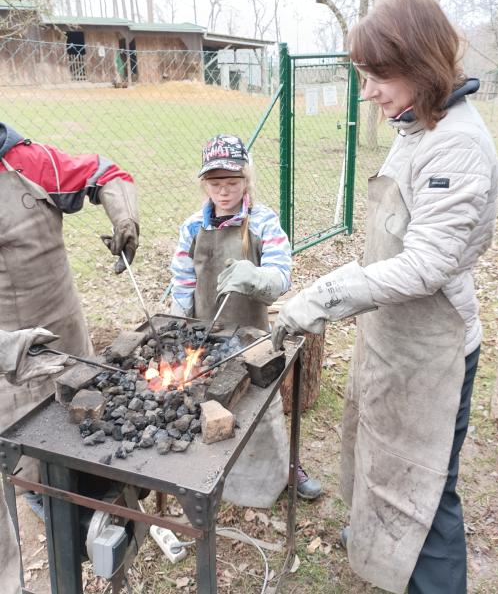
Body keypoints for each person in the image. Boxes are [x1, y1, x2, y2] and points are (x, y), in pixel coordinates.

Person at [271, 0, 498, 594]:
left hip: (431, 347)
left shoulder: (459, 145)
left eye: (377, 76)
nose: (367, 91)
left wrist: (323, 296)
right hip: (391, 334)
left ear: (420, 63)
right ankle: (377, 545)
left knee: (423, 486)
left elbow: (425, 265)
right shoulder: (417, 122)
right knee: (375, 452)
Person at [0, 122, 140, 594]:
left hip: (70, 350)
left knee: (93, 453)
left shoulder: (26, 162)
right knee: (34, 477)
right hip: (8, 377)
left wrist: (125, 219)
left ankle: (107, 547)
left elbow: (105, 173)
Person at [170, 133, 322, 505]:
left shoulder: (264, 222)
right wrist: (180, 320)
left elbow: (281, 279)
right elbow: (182, 280)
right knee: (207, 401)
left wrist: (254, 277)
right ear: (205, 184)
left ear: (246, 181)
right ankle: (212, 474)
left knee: (263, 408)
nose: (224, 192)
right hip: (206, 335)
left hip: (253, 335)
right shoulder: (192, 226)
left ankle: (285, 468)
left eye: (233, 183)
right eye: (216, 183)